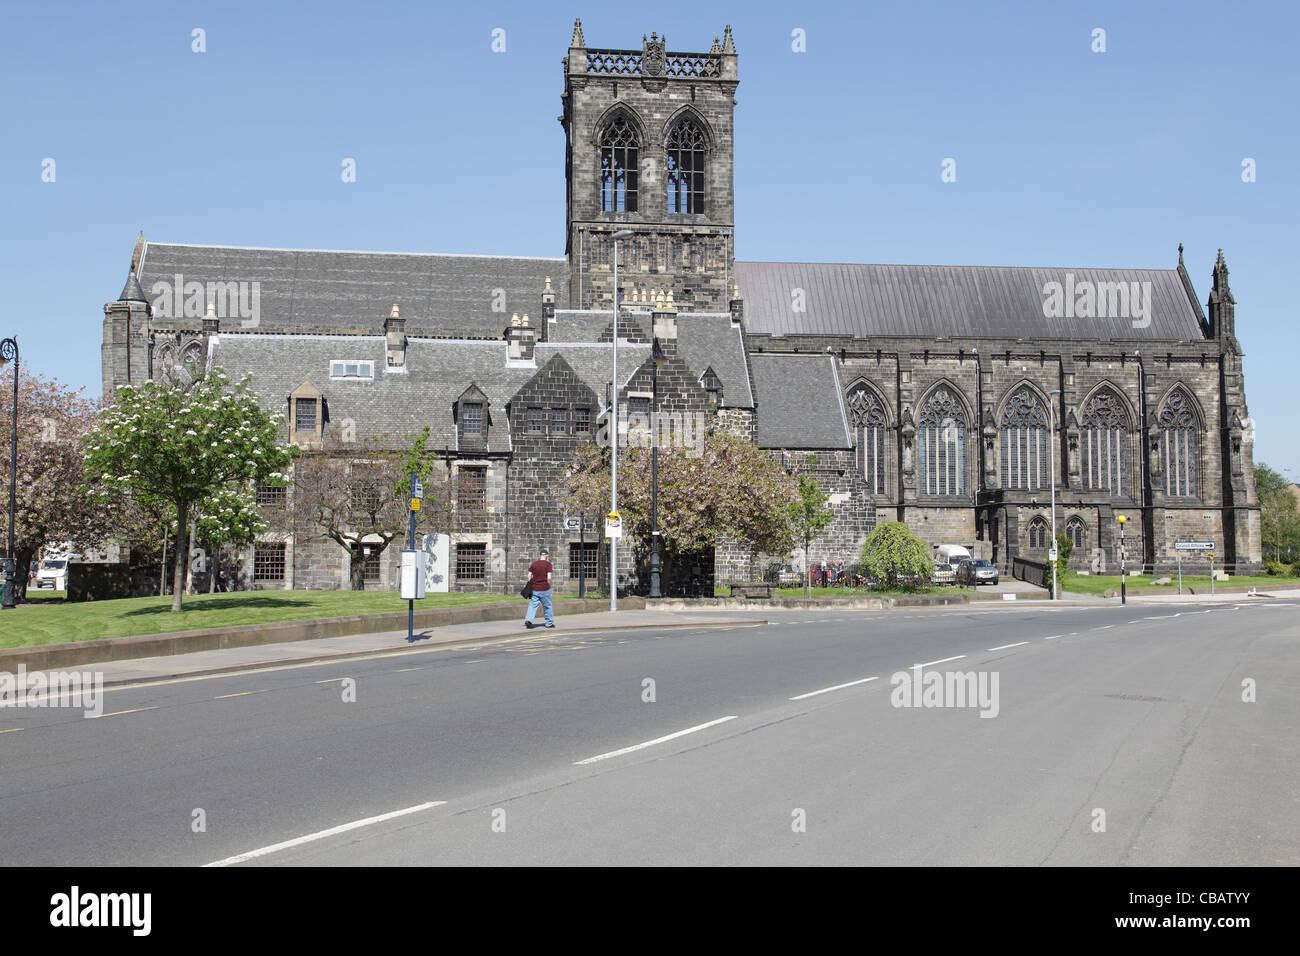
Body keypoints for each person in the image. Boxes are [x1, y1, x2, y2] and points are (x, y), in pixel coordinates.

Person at [523, 548, 555, 629]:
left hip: (535, 589)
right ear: (546, 555)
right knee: (547, 606)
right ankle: (549, 623)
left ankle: (528, 620)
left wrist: (531, 583)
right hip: (545, 589)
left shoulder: (534, 564)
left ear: (540, 555)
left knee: (532, 606)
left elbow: (529, 575)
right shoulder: (548, 564)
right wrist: (548, 584)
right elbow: (549, 577)